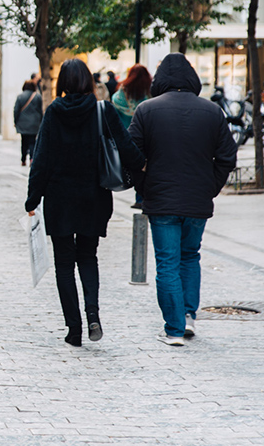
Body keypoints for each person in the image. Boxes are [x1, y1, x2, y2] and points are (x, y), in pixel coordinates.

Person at [25, 58, 145, 347]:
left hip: (60, 199)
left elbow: (41, 159)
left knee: (64, 264)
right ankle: (93, 315)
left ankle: (74, 329)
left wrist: (32, 198)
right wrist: (144, 166)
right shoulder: (102, 109)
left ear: (62, 83)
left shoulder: (54, 112)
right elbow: (126, 147)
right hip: (93, 198)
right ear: (89, 82)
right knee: (88, 257)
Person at [128, 53, 237, 347]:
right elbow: (227, 156)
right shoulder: (212, 112)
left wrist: (145, 186)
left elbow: (131, 155)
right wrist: (210, 187)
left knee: (167, 263)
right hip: (196, 201)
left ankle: (174, 329)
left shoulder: (146, 110)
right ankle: (188, 316)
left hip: (161, 199)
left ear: (160, 79)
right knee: (190, 255)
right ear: (191, 78)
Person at [112, 64, 152, 208]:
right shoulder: (149, 92)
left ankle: (138, 196)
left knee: (135, 166)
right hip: (147, 136)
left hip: (126, 137)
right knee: (146, 167)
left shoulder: (123, 92)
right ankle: (142, 196)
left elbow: (115, 103)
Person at [13, 80, 43, 166]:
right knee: (32, 141)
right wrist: (40, 121)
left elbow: (16, 110)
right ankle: (32, 158)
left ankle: (23, 159)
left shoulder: (20, 96)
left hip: (23, 123)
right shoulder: (37, 96)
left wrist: (15, 121)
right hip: (34, 123)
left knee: (24, 141)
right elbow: (40, 111)